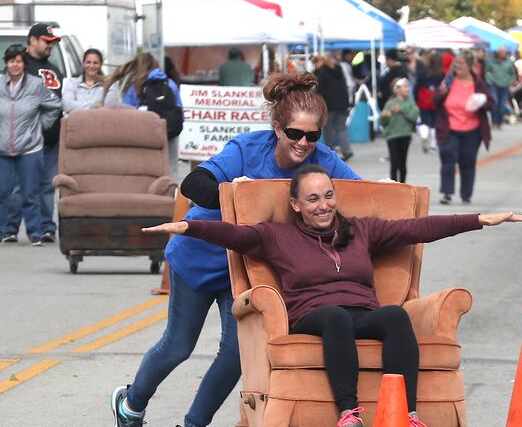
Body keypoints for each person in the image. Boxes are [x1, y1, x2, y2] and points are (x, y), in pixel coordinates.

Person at [141, 164, 522, 427]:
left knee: (394, 317)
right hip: (314, 314)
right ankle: (349, 412)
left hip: (362, 310)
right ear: (296, 205)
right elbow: (233, 234)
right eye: (313, 199)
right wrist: (187, 226)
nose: (323, 205)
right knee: (335, 316)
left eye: (328, 196)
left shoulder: (362, 230)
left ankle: (405, 412)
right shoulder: (279, 236)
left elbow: (419, 228)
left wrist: (479, 220)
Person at [109, 72, 360, 427]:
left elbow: (361, 193)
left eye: (312, 135)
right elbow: (193, 183)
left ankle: (194, 424)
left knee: (235, 354)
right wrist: (232, 192)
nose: (304, 142)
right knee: (179, 345)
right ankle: (131, 403)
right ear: (277, 127)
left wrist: (387, 190)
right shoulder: (246, 148)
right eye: (295, 133)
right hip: (198, 259)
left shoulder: (323, 159)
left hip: (243, 270)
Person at [3, 23, 64, 244]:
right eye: (46, 42)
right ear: (33, 41)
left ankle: (46, 228)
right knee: (19, 187)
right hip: (23, 142)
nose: (50, 47)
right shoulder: (19, 67)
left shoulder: (55, 69)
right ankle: (10, 228)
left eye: (53, 43)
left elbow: (56, 105)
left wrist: (45, 126)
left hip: (51, 140)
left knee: (47, 186)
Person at [104, 52, 183, 180]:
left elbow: (128, 114)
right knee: (171, 168)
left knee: (146, 169)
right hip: (170, 130)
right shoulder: (169, 83)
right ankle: (171, 196)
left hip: (146, 133)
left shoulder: (135, 86)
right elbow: (179, 108)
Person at [434, 50, 494, 205]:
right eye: (456, 63)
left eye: (461, 63)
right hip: (449, 128)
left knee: (467, 162)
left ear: (469, 65)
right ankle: (447, 193)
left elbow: (490, 102)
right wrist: (442, 93)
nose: (457, 66)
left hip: (472, 130)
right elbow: (436, 100)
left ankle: (466, 195)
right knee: (448, 160)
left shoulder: (478, 82)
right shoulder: (448, 80)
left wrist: (481, 101)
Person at [316, 52, 354, 161]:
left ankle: (330, 151)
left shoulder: (322, 72)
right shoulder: (339, 70)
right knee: (341, 128)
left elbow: (319, 90)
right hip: (343, 104)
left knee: (328, 128)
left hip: (329, 105)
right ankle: (346, 150)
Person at [380, 78, 419, 183]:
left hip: (405, 135)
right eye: (405, 87)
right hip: (392, 136)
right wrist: (384, 117)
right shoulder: (390, 103)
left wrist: (401, 110)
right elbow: (383, 122)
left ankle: (403, 185)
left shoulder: (410, 102)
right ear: (397, 89)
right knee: (394, 162)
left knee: (402, 162)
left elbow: (414, 116)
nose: (407, 89)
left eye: (408, 86)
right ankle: (394, 185)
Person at [414, 53, 444, 153]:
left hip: (423, 100)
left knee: (424, 120)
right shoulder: (441, 74)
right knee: (435, 122)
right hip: (436, 100)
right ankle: (433, 145)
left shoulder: (423, 72)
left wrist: (416, 98)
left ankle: (424, 135)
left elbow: (416, 86)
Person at [62, 49, 105, 114]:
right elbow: (67, 106)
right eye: (88, 62)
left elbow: (110, 108)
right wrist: (94, 105)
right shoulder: (72, 83)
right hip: (76, 123)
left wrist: (77, 106)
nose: (91, 66)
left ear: (101, 64)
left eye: (95, 63)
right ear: (83, 63)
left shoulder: (107, 85)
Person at [485, 46, 517, 130]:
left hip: (505, 86)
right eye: (501, 52)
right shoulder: (492, 62)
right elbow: (486, 72)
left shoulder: (509, 62)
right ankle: (494, 122)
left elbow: (513, 74)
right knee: (494, 103)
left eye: (504, 52)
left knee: (502, 105)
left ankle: (500, 122)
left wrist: (509, 82)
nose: (502, 53)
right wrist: (490, 81)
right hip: (494, 85)